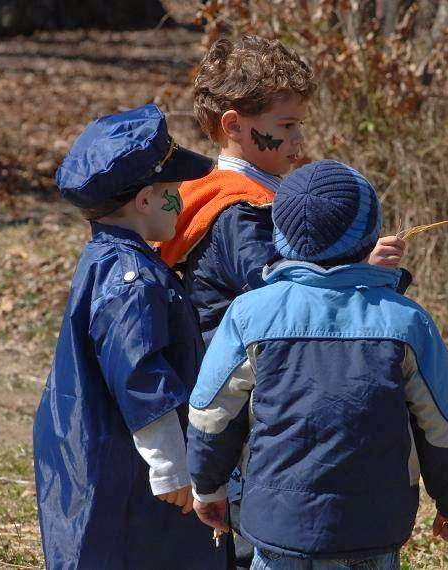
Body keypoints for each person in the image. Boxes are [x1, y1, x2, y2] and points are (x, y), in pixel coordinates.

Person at [157, 35, 407, 567]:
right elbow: (281, 300)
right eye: (287, 125)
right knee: (255, 531)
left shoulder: (237, 195)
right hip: (246, 393)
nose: (299, 138)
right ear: (233, 125)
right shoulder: (239, 212)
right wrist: (364, 274)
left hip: (247, 381)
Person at [186, 160, 448, 570]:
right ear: (370, 236)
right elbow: (445, 424)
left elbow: (211, 414)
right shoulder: (406, 322)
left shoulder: (249, 315)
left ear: (280, 236)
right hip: (373, 529)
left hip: (275, 528)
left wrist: (207, 487)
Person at [32, 104, 226, 569]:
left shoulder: (109, 256)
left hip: (107, 443)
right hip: (119, 460)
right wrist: (171, 467)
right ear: (145, 201)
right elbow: (141, 374)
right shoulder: (130, 277)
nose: (182, 199)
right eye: (173, 191)